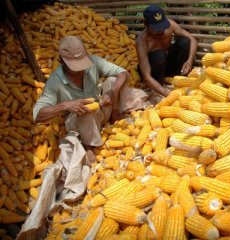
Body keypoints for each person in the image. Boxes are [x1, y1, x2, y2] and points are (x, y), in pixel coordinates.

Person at [33, 35, 138, 163]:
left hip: (101, 109)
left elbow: (123, 73)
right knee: (85, 110)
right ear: (62, 61)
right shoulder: (55, 81)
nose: (81, 69)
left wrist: (112, 92)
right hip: (78, 123)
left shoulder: (94, 62)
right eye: (75, 66)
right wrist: (65, 105)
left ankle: (114, 115)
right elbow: (38, 115)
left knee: (112, 81)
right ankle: (88, 146)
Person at [136, 4, 197, 97]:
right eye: (156, 29)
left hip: (167, 66)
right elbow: (147, 77)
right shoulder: (142, 42)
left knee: (184, 42)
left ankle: (177, 79)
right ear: (146, 24)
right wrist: (169, 95)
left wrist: (189, 61)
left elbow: (192, 39)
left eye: (162, 26)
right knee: (159, 55)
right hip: (154, 72)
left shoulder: (170, 25)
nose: (160, 31)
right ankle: (160, 85)